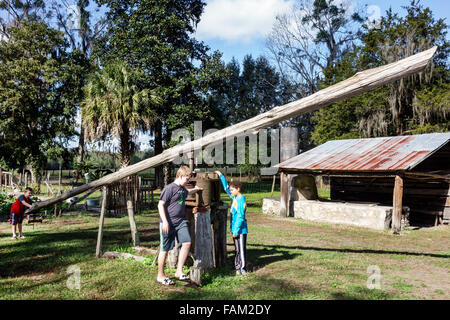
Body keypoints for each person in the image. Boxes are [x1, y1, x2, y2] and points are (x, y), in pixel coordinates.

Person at [156, 166, 201, 286]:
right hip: (168, 223)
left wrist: (196, 189)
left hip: (180, 222)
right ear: (180, 176)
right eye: (187, 179)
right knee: (165, 250)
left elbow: (188, 192)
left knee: (187, 243)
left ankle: (178, 271)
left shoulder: (182, 188)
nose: (188, 181)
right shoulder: (169, 188)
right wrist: (165, 221)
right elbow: (160, 205)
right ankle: (160, 275)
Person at [215, 171, 248, 275]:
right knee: (237, 249)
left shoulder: (240, 199)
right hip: (235, 230)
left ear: (238, 189)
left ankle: (243, 269)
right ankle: (237, 267)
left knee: (241, 250)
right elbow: (226, 189)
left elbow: (240, 216)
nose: (231, 191)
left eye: (233, 189)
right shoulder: (235, 197)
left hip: (240, 230)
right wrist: (221, 176)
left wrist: (236, 230)